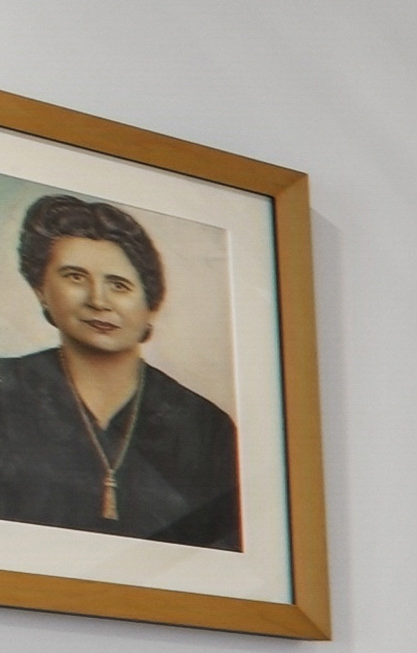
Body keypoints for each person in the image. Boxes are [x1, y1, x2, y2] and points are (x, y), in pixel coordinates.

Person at [0, 191, 245, 549]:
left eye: (119, 285)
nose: (98, 300)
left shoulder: (206, 428)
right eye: (75, 277)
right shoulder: (7, 390)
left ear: (149, 302)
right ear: (41, 290)